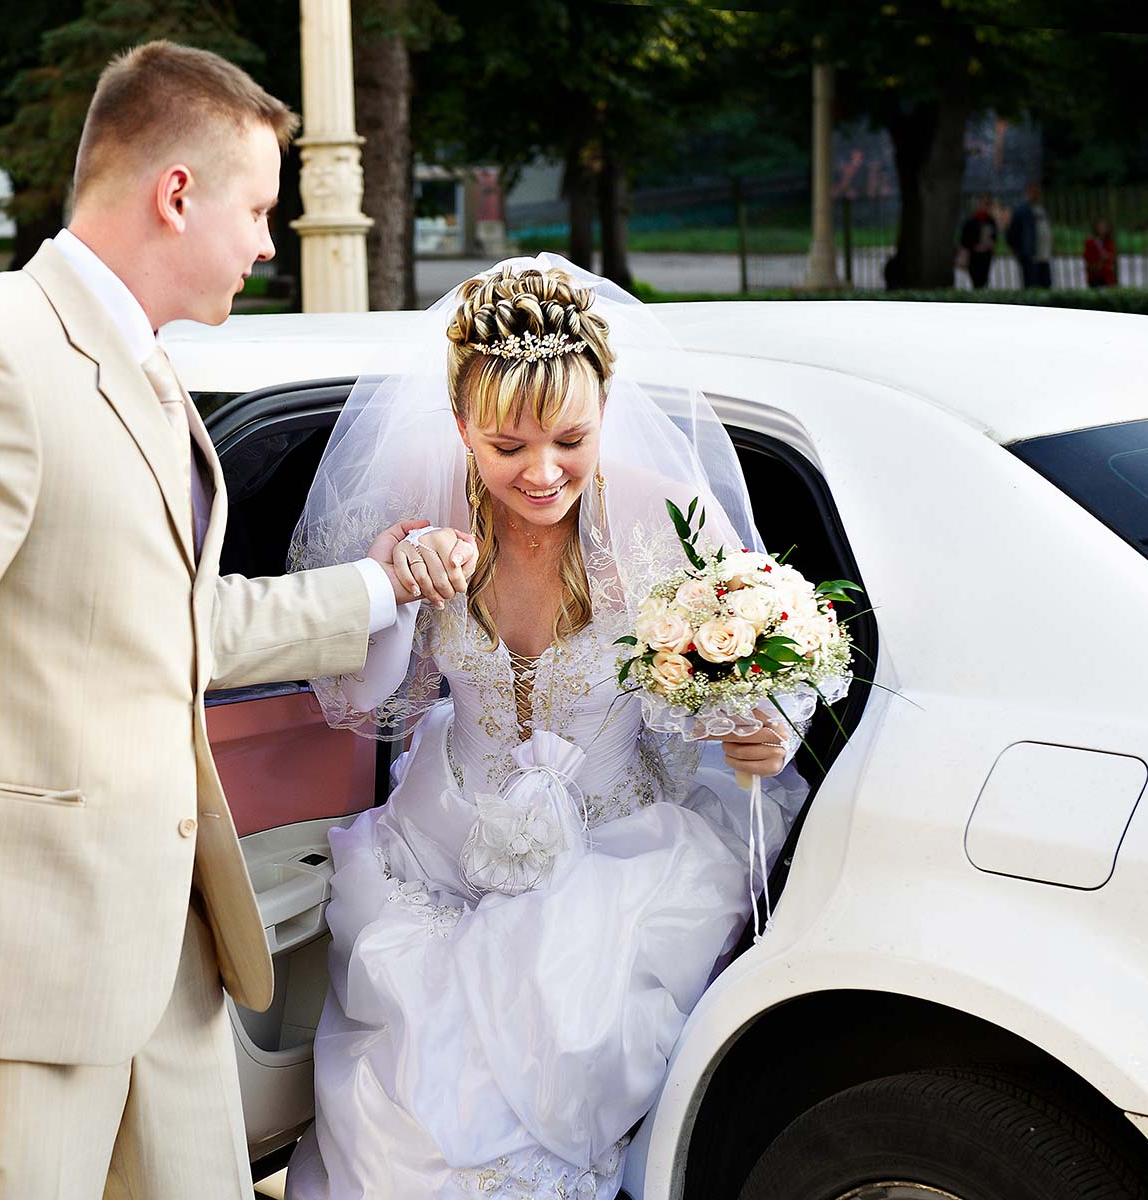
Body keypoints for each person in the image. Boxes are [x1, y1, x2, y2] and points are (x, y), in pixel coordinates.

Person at [0, 41, 453, 1200]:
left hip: (165, 959)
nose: (266, 241)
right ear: (177, 193)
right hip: (6, 967)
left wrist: (376, 589)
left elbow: (168, 619)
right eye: (259, 208)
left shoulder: (146, 370)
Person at [284, 257, 812, 1198]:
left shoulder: (662, 513)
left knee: (559, 1034)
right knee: (400, 1100)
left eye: (571, 439)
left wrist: (758, 731)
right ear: (460, 431)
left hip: (619, 858)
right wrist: (397, 589)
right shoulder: (419, 513)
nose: (542, 472)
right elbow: (366, 704)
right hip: (444, 852)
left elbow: (754, 673)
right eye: (506, 446)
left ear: (606, 409)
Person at [1007, 184, 1053, 288]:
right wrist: (1017, 249)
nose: (1036, 195)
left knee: (1046, 284)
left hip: (1044, 254)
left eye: (1038, 192)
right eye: (1033, 192)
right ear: (1027, 193)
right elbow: (1012, 232)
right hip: (1030, 254)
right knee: (1031, 285)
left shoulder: (1041, 209)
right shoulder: (1022, 210)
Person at [958, 195, 999, 289]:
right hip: (974, 254)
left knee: (984, 276)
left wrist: (991, 244)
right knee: (975, 277)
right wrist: (973, 246)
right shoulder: (970, 221)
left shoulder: (990, 221)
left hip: (986, 254)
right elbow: (964, 239)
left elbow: (995, 237)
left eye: (985, 205)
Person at [1083, 216, 1118, 287]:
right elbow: (1087, 257)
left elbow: (1113, 255)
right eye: (1100, 226)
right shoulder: (1090, 241)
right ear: (1095, 227)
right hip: (1095, 275)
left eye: (1104, 226)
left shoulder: (1108, 241)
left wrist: (1108, 256)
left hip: (1108, 275)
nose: (1102, 228)